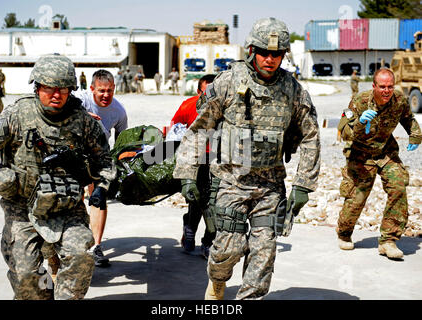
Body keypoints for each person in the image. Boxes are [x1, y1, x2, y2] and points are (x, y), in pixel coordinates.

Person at [173, 17, 320, 300]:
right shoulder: (228, 82)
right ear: (251, 51)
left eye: (277, 54)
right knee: (227, 250)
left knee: (264, 253)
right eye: (264, 52)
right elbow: (199, 130)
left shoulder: (293, 90)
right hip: (230, 182)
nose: (270, 59)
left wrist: (303, 185)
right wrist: (187, 174)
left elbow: (311, 136)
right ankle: (217, 283)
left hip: (270, 186)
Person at [0, 54, 116, 299]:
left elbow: (104, 161)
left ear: (71, 89)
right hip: (22, 207)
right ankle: (44, 294)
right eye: (49, 88)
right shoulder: (17, 115)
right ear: (37, 87)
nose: (56, 95)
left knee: (80, 256)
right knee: (26, 275)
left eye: (62, 89)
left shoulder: (84, 123)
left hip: (66, 206)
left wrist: (101, 187)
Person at [336, 68, 421, 260]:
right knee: (357, 197)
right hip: (360, 154)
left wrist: (415, 135)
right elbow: (344, 131)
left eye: (390, 86)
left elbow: (409, 119)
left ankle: (388, 241)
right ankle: (344, 232)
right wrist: (358, 122)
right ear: (374, 86)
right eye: (382, 86)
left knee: (398, 185)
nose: (386, 90)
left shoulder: (399, 100)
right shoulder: (359, 101)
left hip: (385, 152)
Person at [74, 69, 128, 267]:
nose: (106, 95)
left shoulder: (119, 111)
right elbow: (57, 111)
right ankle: (73, 240)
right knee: (73, 197)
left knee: (99, 196)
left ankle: (96, 246)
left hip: (98, 155)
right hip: (74, 154)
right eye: (101, 91)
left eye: (110, 91)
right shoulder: (78, 100)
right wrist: (81, 115)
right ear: (92, 89)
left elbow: (122, 141)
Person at [170, 74, 216, 259]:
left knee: (213, 204)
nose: (211, 96)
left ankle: (208, 242)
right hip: (194, 160)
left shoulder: (226, 107)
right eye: (206, 92)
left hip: (218, 160)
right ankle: (189, 227)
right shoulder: (188, 106)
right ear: (199, 92)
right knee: (197, 201)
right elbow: (174, 129)